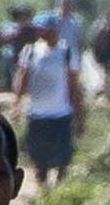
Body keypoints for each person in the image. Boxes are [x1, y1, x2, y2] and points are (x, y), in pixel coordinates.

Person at [15, 13, 82, 187]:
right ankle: (43, 192)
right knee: (39, 159)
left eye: (48, 31)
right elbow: (22, 78)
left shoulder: (66, 52)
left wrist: (80, 113)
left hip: (61, 113)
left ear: (55, 30)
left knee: (63, 159)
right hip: (37, 114)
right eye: (41, 30)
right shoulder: (30, 51)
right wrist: (17, 104)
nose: (44, 34)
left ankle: (60, 190)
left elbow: (73, 84)